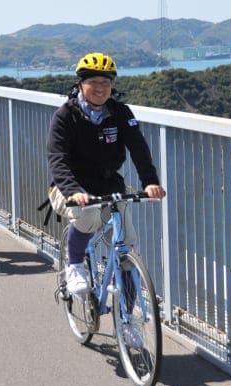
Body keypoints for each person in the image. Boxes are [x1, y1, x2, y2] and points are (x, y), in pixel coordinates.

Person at [47, 52, 166, 295]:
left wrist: (150, 181)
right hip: (69, 188)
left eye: (106, 82)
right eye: (93, 82)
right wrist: (73, 191)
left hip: (110, 187)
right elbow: (57, 158)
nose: (100, 88)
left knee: (128, 248)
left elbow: (139, 148)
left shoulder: (120, 112)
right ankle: (75, 266)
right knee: (88, 215)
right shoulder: (65, 116)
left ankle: (129, 323)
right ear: (80, 84)